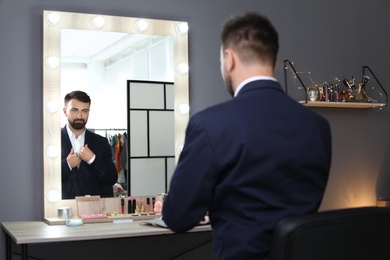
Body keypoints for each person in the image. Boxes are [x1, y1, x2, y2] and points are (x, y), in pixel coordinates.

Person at [162, 12, 332, 260]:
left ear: (229, 59)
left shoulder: (210, 124)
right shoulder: (317, 126)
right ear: (273, 63)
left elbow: (177, 218)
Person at [61, 90, 118, 199]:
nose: (79, 115)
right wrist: (67, 164)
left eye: (84, 111)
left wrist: (93, 159)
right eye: (74, 110)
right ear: (65, 111)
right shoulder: (51, 141)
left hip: (95, 210)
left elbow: (112, 178)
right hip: (62, 209)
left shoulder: (101, 142)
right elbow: (43, 176)